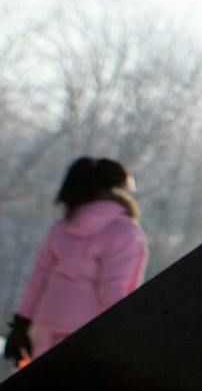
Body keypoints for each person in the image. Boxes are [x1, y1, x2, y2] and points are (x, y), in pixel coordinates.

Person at [6, 157, 148, 367]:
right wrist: (124, 339)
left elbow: (38, 278)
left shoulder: (63, 226)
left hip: (46, 324)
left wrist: (21, 324)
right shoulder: (124, 234)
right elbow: (113, 289)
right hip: (89, 335)